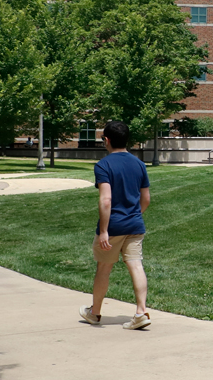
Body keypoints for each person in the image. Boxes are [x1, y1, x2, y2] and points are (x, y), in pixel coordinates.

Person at [79, 120, 152, 330]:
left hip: (113, 227)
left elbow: (105, 200)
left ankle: (95, 313)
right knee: (136, 265)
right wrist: (134, 215)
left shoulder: (104, 165)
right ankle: (141, 311)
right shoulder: (139, 164)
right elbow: (145, 199)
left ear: (106, 140)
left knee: (104, 268)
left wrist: (104, 231)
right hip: (135, 225)